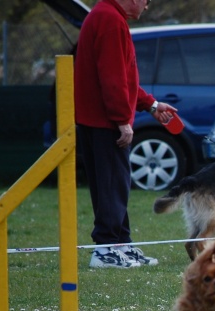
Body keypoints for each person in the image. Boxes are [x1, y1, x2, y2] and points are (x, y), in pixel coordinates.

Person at [75, 0, 177, 269]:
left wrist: (152, 105)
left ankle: (121, 243)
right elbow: (113, 78)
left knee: (115, 184)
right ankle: (106, 249)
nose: (147, 6)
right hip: (104, 122)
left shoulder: (107, 16)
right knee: (111, 184)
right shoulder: (110, 20)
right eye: (146, 0)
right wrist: (122, 120)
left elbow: (125, 77)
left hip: (97, 119)